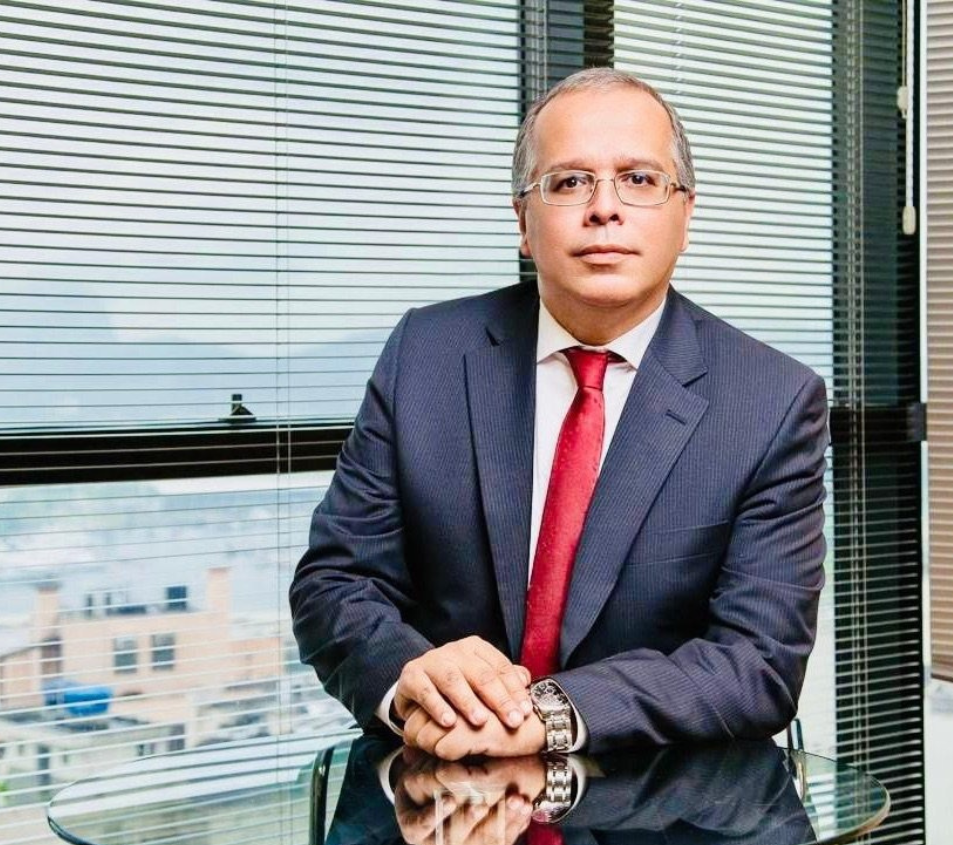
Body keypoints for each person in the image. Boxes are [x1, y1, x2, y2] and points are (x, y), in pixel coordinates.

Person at [291, 67, 829, 763]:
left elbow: (757, 662)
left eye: (639, 179)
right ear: (523, 220)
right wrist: (412, 679)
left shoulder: (771, 400)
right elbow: (335, 583)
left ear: (686, 216)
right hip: (443, 788)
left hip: (665, 807)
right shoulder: (426, 354)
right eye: (570, 182)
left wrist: (544, 714)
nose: (604, 208)